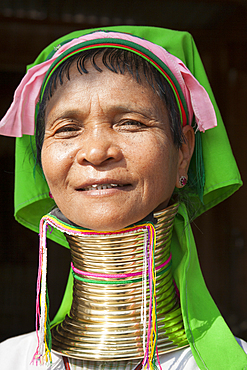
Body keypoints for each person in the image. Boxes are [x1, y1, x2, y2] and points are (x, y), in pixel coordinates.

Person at [0, 26, 247, 370]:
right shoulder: (10, 361)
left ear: (183, 152)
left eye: (130, 123)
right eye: (67, 129)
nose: (97, 152)